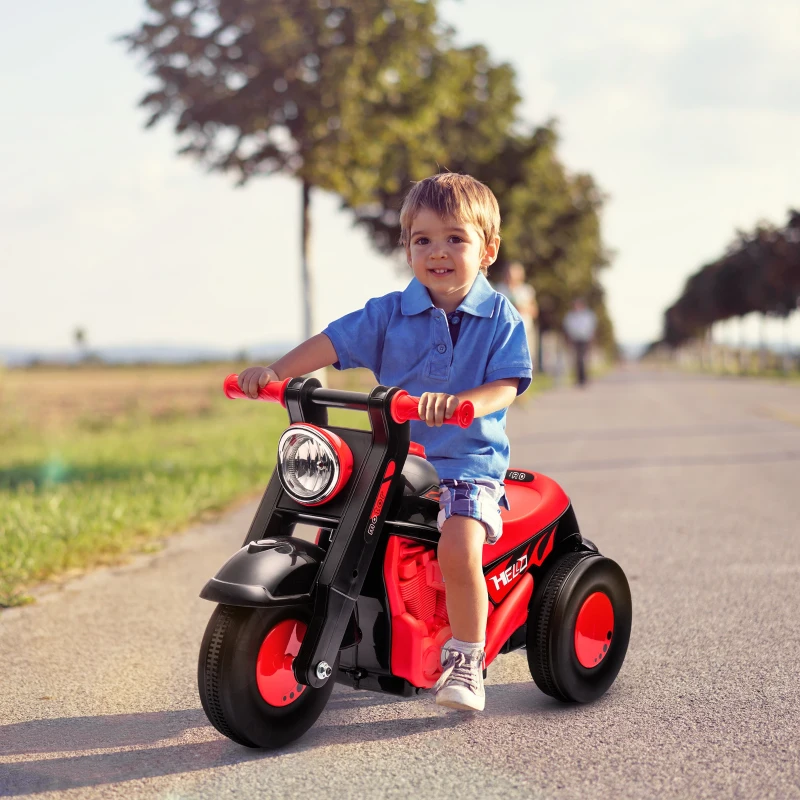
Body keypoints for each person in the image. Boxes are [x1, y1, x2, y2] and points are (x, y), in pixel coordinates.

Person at [237, 173, 532, 712]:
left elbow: (507, 385)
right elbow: (332, 342)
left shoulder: (500, 319)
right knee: (330, 511)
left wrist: (464, 401)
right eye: (423, 240)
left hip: (464, 463)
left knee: (459, 541)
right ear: (406, 248)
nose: (437, 252)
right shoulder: (390, 312)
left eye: (455, 239)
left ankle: (466, 657)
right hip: (392, 455)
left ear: (487, 249)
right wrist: (275, 371)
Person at [494, 262, 539, 372]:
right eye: (509, 273)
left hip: (525, 328)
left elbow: (534, 311)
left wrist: (523, 308)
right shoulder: (499, 289)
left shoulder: (526, 290)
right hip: (505, 329)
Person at [562, 297, 597, 386]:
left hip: (585, 339)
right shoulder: (570, 316)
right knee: (577, 359)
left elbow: (592, 328)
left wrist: (591, 339)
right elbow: (567, 328)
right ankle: (579, 379)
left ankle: (584, 378)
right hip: (575, 339)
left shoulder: (588, 315)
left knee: (583, 359)